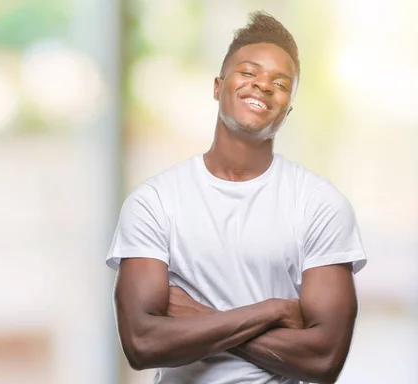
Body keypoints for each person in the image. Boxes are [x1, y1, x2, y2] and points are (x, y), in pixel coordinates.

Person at [105, 10, 367, 384]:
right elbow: (141, 344)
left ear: (288, 107)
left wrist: (195, 315)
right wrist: (273, 311)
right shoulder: (155, 202)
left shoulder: (320, 205)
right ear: (218, 86)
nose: (262, 85)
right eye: (248, 72)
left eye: (280, 82)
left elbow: (324, 360)